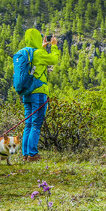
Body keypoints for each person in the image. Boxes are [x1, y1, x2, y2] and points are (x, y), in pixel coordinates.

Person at [17, 28, 61, 162]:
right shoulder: (38, 54)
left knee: (28, 124)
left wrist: (42, 48)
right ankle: (33, 155)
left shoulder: (25, 53)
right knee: (36, 124)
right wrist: (54, 47)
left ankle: (26, 154)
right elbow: (53, 60)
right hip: (39, 92)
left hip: (26, 93)